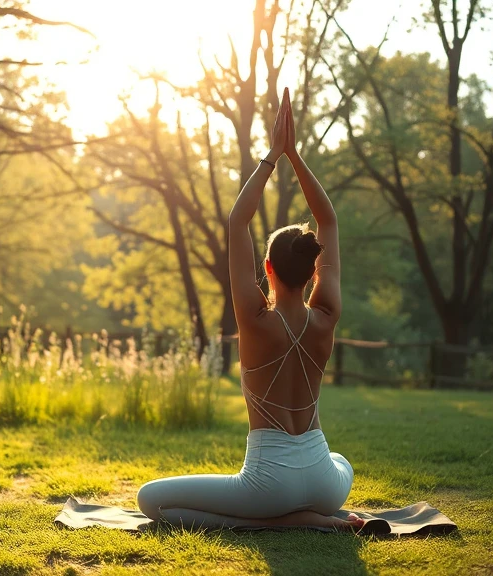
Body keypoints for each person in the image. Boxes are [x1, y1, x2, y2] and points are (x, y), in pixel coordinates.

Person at [136, 88, 363, 532]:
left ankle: (286, 523)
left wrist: (273, 156)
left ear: (267, 267)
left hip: (267, 486)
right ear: (314, 268)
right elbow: (329, 221)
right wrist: (296, 156)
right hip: (326, 483)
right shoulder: (327, 314)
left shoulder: (255, 320)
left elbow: (238, 220)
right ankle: (315, 513)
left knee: (152, 502)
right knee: (340, 461)